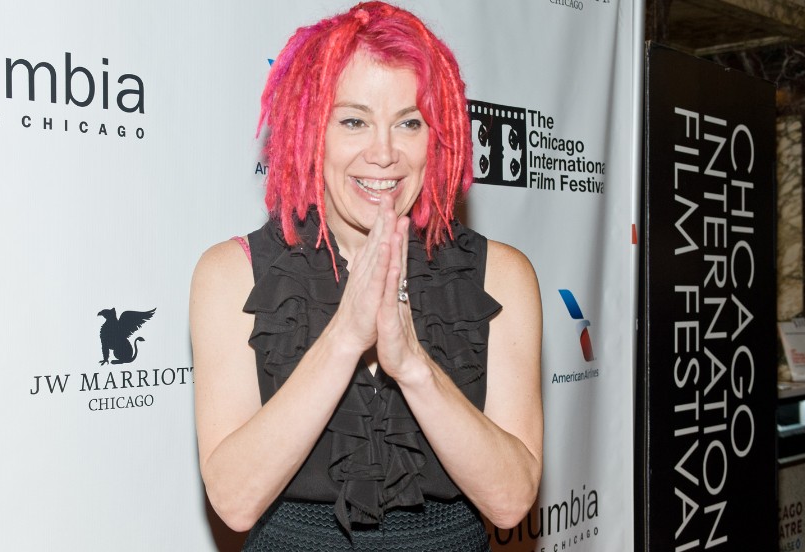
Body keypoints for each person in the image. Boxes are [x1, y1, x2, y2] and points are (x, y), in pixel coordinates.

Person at [190, 2, 543, 550]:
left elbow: (512, 501)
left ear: (438, 136)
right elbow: (234, 502)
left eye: (409, 122)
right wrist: (345, 338)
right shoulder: (231, 274)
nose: (384, 153)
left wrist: (414, 369)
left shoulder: (502, 276)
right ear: (311, 132)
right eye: (354, 121)